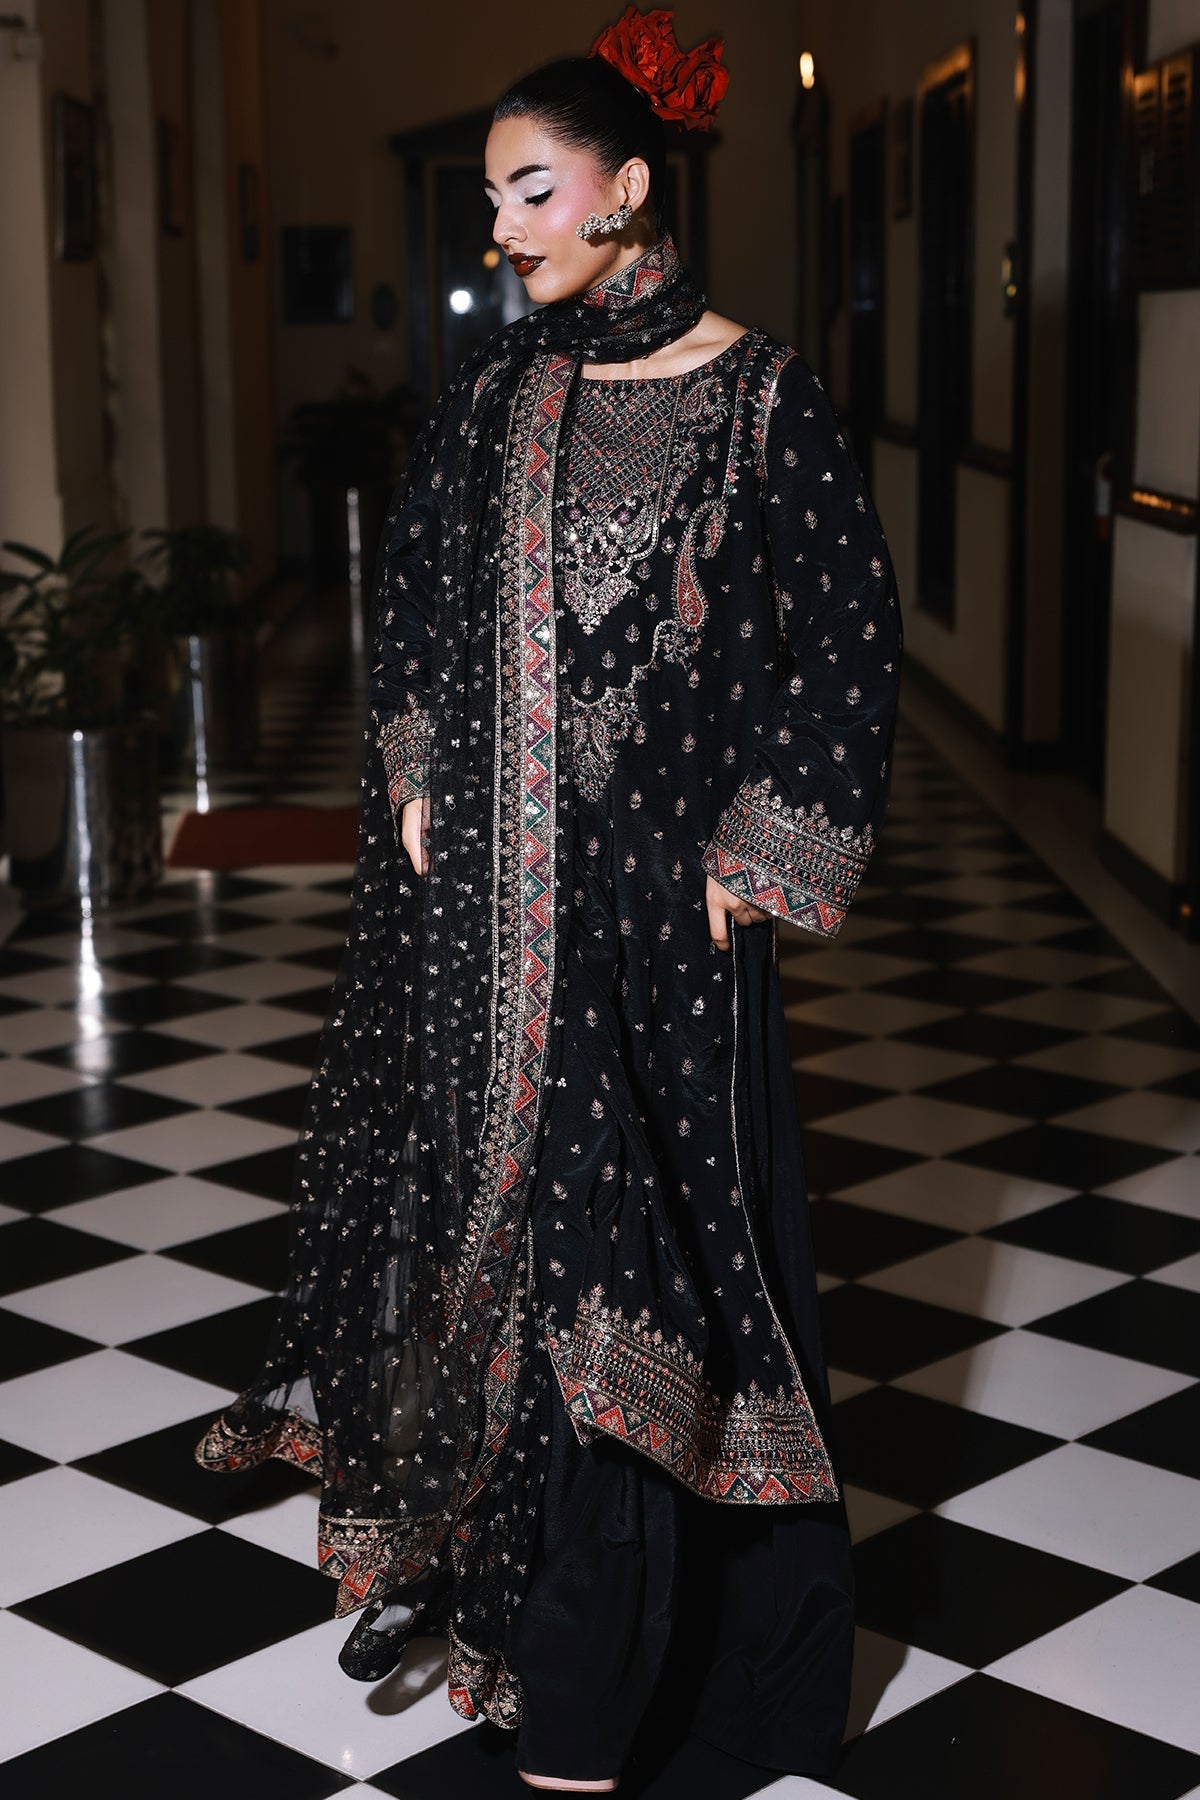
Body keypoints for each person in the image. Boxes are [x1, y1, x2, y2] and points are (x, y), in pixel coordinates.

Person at [196, 7, 903, 1793]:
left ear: (630, 187)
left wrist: (770, 854)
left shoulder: (763, 398)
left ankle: (630, 1686)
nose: (503, 228)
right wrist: (415, 772)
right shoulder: (500, 394)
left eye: (533, 191)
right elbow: (419, 606)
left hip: (672, 938)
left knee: (654, 1278)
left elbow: (846, 647)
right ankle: (545, 1640)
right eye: (494, 197)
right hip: (495, 935)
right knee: (518, 1252)